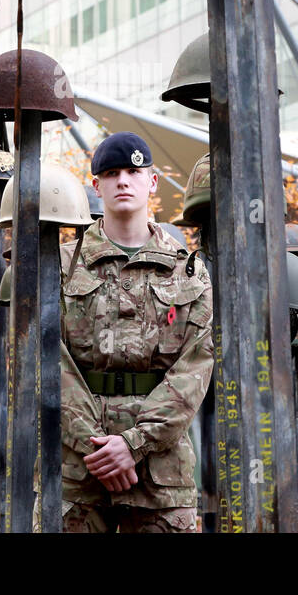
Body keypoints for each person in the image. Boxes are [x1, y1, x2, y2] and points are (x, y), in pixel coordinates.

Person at [60, 131, 214, 533]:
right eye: (111, 173)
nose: (123, 181)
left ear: (153, 182)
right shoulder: (63, 265)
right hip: (80, 469)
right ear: (96, 186)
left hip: (160, 471)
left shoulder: (188, 271)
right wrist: (95, 445)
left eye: (133, 170)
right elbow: (44, 359)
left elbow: (195, 366)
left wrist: (134, 444)